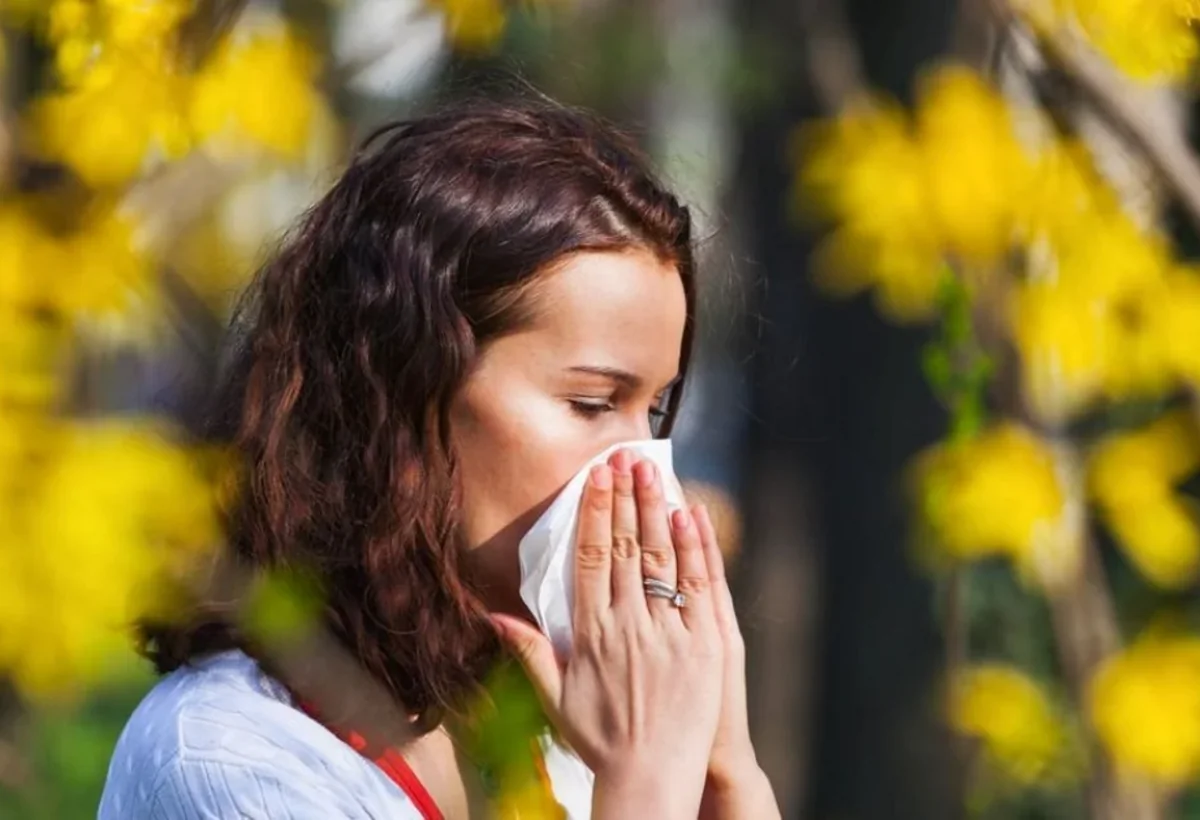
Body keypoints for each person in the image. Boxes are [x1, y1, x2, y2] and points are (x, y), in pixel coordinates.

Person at [98, 95, 780, 820]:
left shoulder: (556, 726)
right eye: (591, 404)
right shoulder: (230, 758)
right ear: (403, 391)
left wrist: (725, 778)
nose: (644, 469)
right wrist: (644, 788)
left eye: (654, 412)